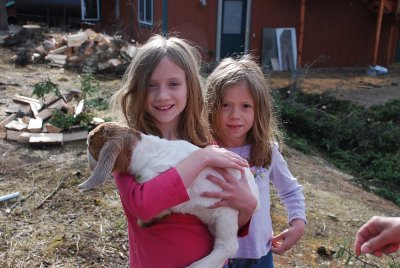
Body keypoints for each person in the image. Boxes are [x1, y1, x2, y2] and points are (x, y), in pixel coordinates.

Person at [109, 34, 258, 268]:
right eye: (151, 85)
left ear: (191, 87)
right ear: (138, 89)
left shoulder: (204, 145)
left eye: (174, 84)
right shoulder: (128, 152)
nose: (162, 95)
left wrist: (248, 206)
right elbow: (144, 207)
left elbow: (227, 218)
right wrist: (199, 160)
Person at [204, 56, 306, 267]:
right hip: (216, 255)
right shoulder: (205, 151)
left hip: (260, 255)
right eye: (226, 105)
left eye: (245, 106)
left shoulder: (267, 151)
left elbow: (290, 190)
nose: (235, 115)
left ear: (259, 109)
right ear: (212, 105)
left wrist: (298, 223)